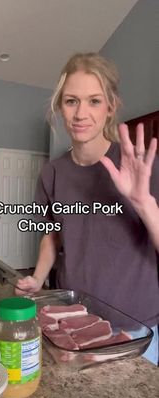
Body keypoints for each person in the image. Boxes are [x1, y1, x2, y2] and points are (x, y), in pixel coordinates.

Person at [15, 53, 159, 365]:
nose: (81, 113)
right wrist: (37, 279)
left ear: (111, 107)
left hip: (136, 330)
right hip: (73, 322)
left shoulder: (143, 167)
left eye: (94, 101)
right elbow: (51, 235)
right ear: (59, 106)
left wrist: (144, 204)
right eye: (71, 101)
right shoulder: (53, 173)